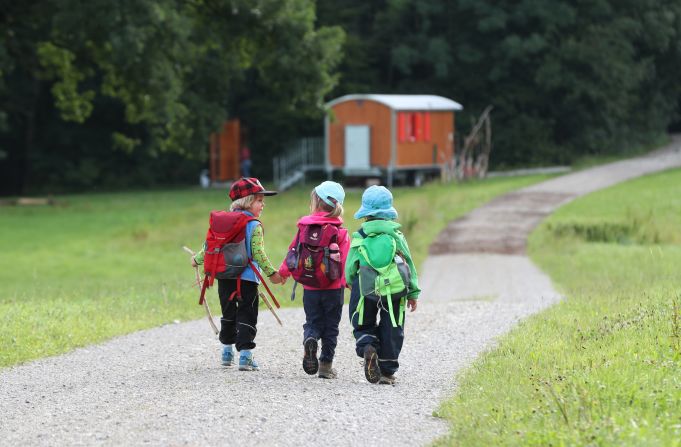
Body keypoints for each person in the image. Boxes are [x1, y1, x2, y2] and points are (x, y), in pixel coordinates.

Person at [191, 177, 283, 371]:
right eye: (259, 200)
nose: (263, 204)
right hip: (248, 279)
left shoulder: (222, 223)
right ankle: (246, 356)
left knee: (228, 313)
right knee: (247, 314)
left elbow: (209, 246)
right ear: (248, 201)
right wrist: (272, 274)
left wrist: (197, 259)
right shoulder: (254, 225)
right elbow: (258, 254)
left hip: (224, 276)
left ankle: (226, 352)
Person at [345, 185, 420, 385]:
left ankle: (368, 345)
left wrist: (351, 281)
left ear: (365, 214)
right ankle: (386, 370)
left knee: (362, 321)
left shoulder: (360, 236)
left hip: (366, 285)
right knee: (392, 325)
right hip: (394, 288)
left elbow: (351, 265)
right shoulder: (396, 236)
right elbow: (408, 264)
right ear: (389, 212)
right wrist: (413, 291)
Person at [278, 181, 350, 379]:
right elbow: (345, 261)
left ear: (316, 202)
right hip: (334, 288)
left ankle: (310, 338)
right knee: (331, 327)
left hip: (310, 287)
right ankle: (325, 365)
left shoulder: (304, 228)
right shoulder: (341, 232)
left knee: (313, 321)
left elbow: (292, 252)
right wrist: (349, 282)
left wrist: (283, 273)